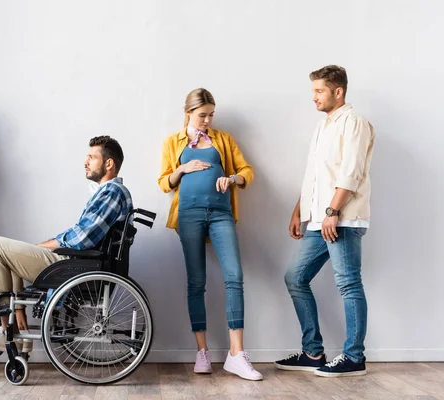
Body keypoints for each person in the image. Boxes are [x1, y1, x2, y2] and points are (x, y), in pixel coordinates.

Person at [0, 135, 133, 352]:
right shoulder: (107, 193)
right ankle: (16, 330)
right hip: (79, 262)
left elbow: (82, 238)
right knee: (8, 256)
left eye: (91, 157)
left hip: (77, 265)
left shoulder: (112, 192)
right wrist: (46, 245)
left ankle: (4, 332)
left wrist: (47, 245)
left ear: (109, 163)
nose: (85, 162)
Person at [275, 65, 375, 377]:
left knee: (348, 283)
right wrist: (299, 211)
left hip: (342, 218)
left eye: (319, 91)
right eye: (313, 91)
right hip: (319, 219)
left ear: (338, 91)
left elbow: (351, 172)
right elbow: (315, 177)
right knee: (295, 277)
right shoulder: (323, 127)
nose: (314, 98)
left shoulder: (355, 123)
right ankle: (313, 352)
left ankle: (354, 356)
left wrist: (332, 211)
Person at [158, 88, 261, 380]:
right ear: (188, 113)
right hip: (188, 216)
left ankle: (236, 354)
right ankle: (201, 351)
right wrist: (183, 168)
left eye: (211, 115)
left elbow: (247, 170)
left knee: (234, 277)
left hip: (221, 214)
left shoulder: (224, 140)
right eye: (202, 115)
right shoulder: (173, 142)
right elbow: (164, 182)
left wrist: (232, 178)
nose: (207, 120)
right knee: (196, 282)